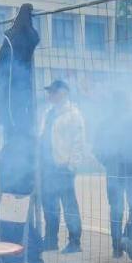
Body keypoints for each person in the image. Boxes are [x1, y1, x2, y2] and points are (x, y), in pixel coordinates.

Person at [92, 90, 132, 262]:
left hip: (114, 171)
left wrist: (108, 163)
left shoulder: (105, 124)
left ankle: (117, 247)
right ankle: (128, 238)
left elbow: (97, 149)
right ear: (127, 105)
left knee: (116, 209)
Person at [39, 79, 87, 254]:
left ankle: (75, 242)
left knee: (69, 205)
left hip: (62, 167)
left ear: (63, 93)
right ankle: (51, 240)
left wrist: (72, 165)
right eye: (49, 92)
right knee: (49, 204)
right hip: (47, 166)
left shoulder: (73, 114)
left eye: (53, 92)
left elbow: (79, 142)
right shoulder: (48, 113)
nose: (50, 95)